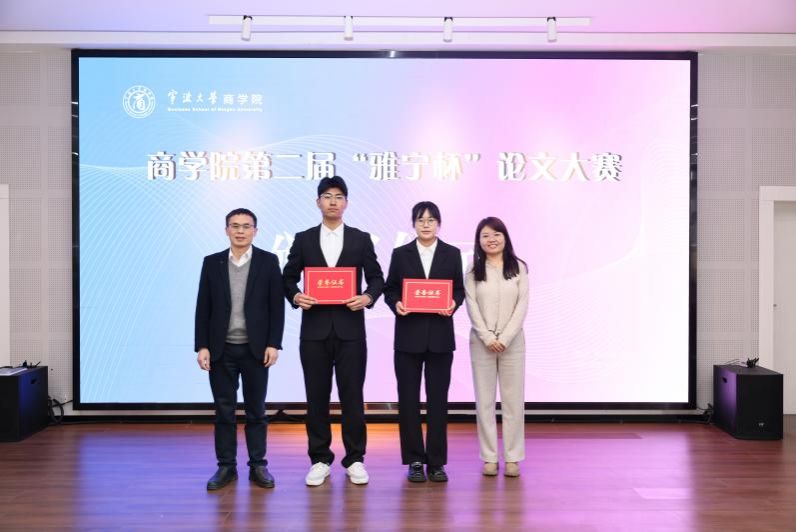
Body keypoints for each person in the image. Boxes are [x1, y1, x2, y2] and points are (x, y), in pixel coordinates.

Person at [283, 176, 384, 486]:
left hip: (350, 331)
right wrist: (296, 296)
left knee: (353, 396)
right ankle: (319, 459)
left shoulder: (360, 239)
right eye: (327, 196)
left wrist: (367, 297)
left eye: (339, 196)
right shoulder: (303, 239)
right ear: (318, 202)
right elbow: (287, 277)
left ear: (346, 203)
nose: (333, 202)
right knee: (316, 397)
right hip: (314, 332)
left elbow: (377, 278)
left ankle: (355, 458)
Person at [195, 208, 285, 490]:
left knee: (257, 410)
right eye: (235, 226)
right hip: (221, 349)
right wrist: (202, 346)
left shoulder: (268, 261)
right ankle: (226, 467)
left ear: (255, 231)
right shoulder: (212, 262)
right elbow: (203, 307)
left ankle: (258, 465)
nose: (240, 231)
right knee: (224, 411)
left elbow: (276, 307)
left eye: (246, 226)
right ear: (226, 230)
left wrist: (274, 343)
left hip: (255, 350)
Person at [383, 201, 464, 483]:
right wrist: (396, 303)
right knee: (408, 400)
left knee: (438, 401)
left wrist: (453, 303)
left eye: (431, 220)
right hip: (408, 337)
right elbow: (390, 289)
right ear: (413, 224)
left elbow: (459, 289)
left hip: (441, 338)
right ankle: (415, 460)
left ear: (439, 224)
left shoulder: (451, 253)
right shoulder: (400, 254)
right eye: (420, 220)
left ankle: (437, 462)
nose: (426, 224)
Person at [465, 216, 529, 478]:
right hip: (482, 343)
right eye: (485, 236)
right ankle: (489, 457)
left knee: (513, 403)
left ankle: (513, 457)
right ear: (478, 241)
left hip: (513, 343)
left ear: (505, 237)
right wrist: (487, 337)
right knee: (485, 402)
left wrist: (506, 337)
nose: (491, 240)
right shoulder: (473, 270)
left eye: (496, 234)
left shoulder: (519, 267)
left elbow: (522, 305)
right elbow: (471, 305)